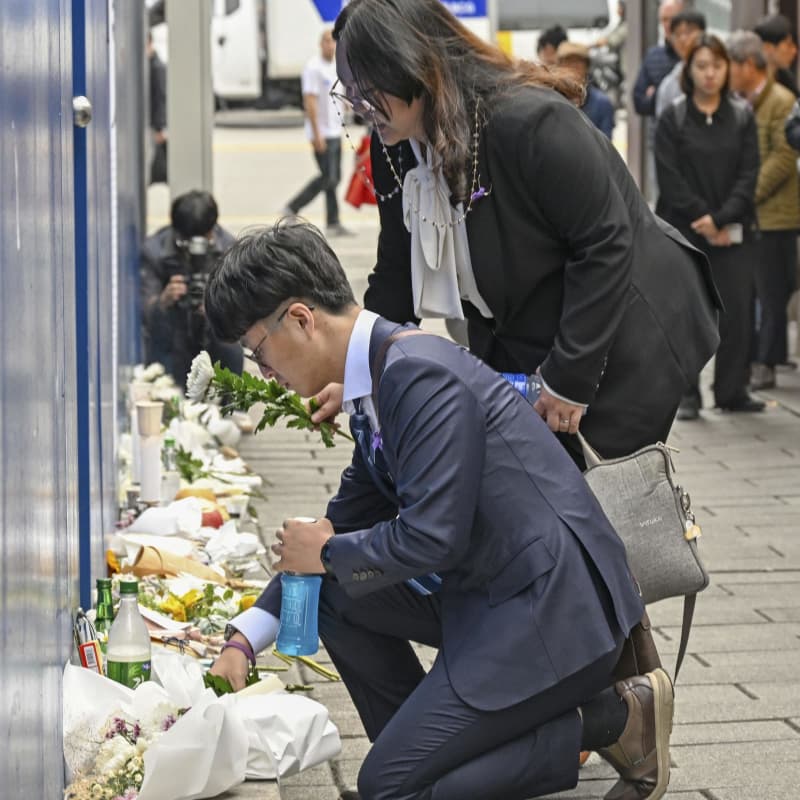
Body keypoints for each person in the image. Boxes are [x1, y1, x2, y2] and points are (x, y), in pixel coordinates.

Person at [205, 220, 674, 800]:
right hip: (496, 594)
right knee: (334, 594)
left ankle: (614, 720)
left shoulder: (416, 374)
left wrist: (325, 552)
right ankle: (427, 761)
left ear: (300, 319)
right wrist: (244, 640)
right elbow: (342, 522)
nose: (263, 372)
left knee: (388, 786)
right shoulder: (377, 379)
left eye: (258, 351)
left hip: (551, 616)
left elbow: (431, 540)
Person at [320, 0, 720, 468]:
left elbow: (606, 243)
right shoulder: (395, 145)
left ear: (415, 66)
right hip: (525, 324)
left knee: (596, 500)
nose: (361, 109)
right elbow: (395, 271)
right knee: (526, 490)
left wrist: (568, 379)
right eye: (349, 94)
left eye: (368, 92)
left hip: (626, 326)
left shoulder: (526, 122)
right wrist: (361, 375)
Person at [655, 34, 763, 419]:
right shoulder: (675, 117)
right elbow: (669, 177)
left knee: (736, 313)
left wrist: (722, 218)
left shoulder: (742, 117)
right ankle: (687, 395)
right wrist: (703, 218)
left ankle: (732, 390)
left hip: (732, 231)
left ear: (727, 68)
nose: (710, 74)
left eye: (717, 65)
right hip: (686, 233)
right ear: (689, 71)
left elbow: (749, 175)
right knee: (687, 316)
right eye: (701, 66)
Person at [728, 31, 800, 392]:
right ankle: (755, 360)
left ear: (749, 65)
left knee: (772, 292)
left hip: (776, 214)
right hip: (751, 215)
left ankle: (767, 363)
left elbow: (784, 157)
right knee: (753, 291)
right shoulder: (741, 101)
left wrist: (747, 194)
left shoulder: (782, 101)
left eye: (732, 65)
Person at [140, 190, 242, 388]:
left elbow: (246, 312)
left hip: (214, 334)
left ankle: (231, 407)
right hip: (173, 335)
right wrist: (162, 302)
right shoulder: (155, 251)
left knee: (230, 344)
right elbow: (144, 313)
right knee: (160, 346)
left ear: (213, 230)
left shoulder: (231, 250)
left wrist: (219, 308)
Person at [283, 30, 352, 238]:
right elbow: (310, 102)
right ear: (320, 44)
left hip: (335, 130)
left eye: (334, 42)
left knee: (334, 178)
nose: (331, 46)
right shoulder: (313, 68)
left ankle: (333, 221)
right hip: (321, 131)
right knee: (328, 178)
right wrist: (316, 133)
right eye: (327, 41)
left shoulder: (337, 66)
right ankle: (293, 207)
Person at [632, 0, 684, 117]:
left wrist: (655, 91)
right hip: (659, 131)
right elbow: (639, 103)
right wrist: (659, 94)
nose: (669, 24)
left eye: (673, 19)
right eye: (664, 20)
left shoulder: (694, 56)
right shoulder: (652, 56)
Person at [557, 41, 615, 139]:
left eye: (578, 62)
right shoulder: (551, 99)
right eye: (568, 62)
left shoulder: (602, 103)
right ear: (558, 66)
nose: (572, 67)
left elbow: (606, 146)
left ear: (587, 66)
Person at [654, 10, 707, 119]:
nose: (683, 39)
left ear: (703, 33)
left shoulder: (718, 72)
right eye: (677, 34)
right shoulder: (669, 84)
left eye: (689, 32)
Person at [754, 14, 799, 98]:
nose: (794, 51)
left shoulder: (786, 78)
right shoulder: (752, 80)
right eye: (789, 45)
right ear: (768, 47)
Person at [147, 31, 168, 184]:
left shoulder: (156, 67)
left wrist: (159, 127)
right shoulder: (150, 65)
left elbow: (160, 97)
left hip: (154, 125)